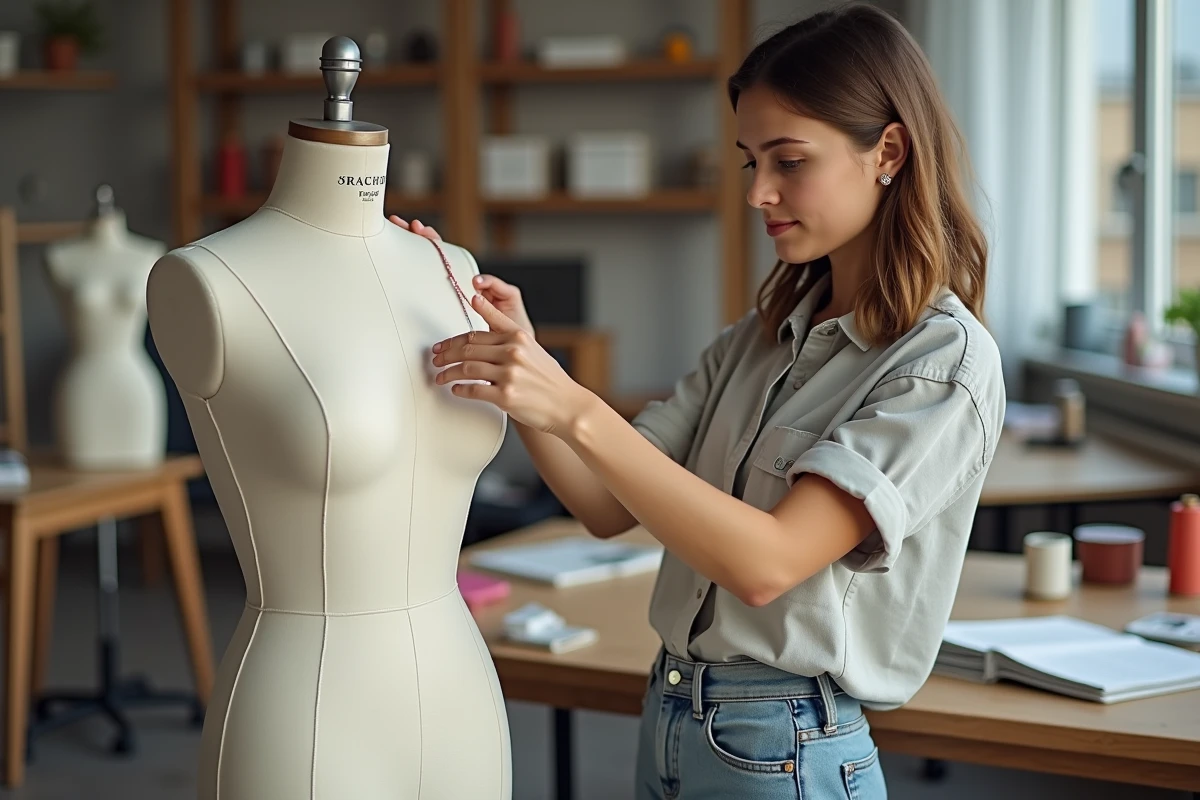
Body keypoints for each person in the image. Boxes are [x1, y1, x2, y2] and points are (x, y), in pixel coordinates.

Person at [392, 4, 1004, 797]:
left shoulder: (941, 364)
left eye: (789, 161)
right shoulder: (754, 340)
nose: (759, 193)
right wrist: (523, 374)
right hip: (673, 716)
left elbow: (767, 563)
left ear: (887, 151)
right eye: (751, 161)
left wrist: (573, 404)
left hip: (787, 745)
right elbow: (606, 505)